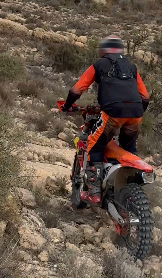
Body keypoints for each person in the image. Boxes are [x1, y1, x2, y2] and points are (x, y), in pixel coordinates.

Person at [60, 36, 149, 203]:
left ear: (103, 50)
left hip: (112, 112)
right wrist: (134, 113)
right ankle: (127, 188)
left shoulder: (99, 65)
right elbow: (145, 97)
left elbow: (77, 90)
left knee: (95, 146)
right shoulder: (131, 67)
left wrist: (67, 106)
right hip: (136, 114)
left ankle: (94, 193)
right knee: (128, 148)